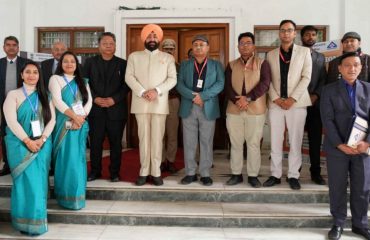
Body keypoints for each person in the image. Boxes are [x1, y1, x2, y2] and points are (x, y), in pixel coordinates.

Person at [321, 52, 370, 240]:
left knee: (362, 187)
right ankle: (338, 223)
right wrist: (340, 144)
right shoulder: (329, 90)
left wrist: (366, 143)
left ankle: (360, 224)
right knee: (337, 186)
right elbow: (328, 119)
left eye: (356, 65)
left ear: (361, 67)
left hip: (362, 149)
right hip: (337, 148)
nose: (352, 68)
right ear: (339, 69)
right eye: (347, 65)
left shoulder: (368, 89)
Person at [3, 61, 55, 235]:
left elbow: (52, 120)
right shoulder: (13, 95)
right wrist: (28, 141)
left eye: (35, 72)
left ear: (40, 76)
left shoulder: (45, 96)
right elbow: (11, 121)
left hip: (41, 145)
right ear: (21, 75)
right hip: (19, 145)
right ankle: (23, 222)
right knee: (26, 184)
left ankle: (37, 222)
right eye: (28, 72)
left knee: (39, 184)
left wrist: (42, 139)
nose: (32, 75)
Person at [263, 20, 312, 190]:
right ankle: (275, 175)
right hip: (276, 104)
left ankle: (293, 175)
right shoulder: (270, 54)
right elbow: (267, 79)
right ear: (279, 33)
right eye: (282, 30)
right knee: (275, 140)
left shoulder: (305, 52)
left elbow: (306, 77)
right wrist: (276, 98)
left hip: (296, 104)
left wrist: (292, 99)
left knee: (295, 140)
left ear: (294, 33)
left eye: (289, 30)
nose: (285, 33)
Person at [126, 24, 177, 186]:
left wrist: (156, 91)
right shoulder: (134, 56)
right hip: (141, 103)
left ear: (159, 39)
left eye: (155, 36)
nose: (152, 39)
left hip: (159, 104)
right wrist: (142, 92)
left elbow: (172, 79)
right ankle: (143, 171)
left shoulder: (168, 58)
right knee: (144, 138)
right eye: (149, 36)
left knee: (157, 139)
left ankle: (156, 172)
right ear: (144, 38)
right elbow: (129, 77)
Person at [177, 35, 224, 186]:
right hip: (189, 106)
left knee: (206, 141)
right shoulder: (184, 65)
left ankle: (205, 173)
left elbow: (220, 84)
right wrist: (194, 97)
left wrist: (202, 96)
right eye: (195, 44)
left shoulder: (216, 65)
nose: (198, 47)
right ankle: (190, 172)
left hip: (207, 106)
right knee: (189, 142)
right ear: (192, 48)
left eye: (202, 44)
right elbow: (179, 84)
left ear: (208, 48)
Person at [225, 32, 271, 187]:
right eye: (242, 43)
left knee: (253, 143)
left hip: (256, 110)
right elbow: (227, 86)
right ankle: (236, 174)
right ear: (238, 46)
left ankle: (253, 175)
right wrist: (237, 101)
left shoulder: (262, 63)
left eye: (248, 43)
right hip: (234, 109)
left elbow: (265, 83)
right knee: (236, 143)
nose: (245, 46)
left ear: (253, 46)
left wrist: (248, 98)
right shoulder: (231, 64)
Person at [49, 51, 92, 210]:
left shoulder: (83, 81)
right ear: (61, 64)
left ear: (76, 64)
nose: (69, 64)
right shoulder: (55, 79)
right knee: (65, 160)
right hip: (63, 124)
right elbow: (57, 101)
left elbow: (89, 102)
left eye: (72, 61)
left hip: (78, 125)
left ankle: (78, 197)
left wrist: (80, 118)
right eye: (65, 61)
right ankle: (65, 198)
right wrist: (74, 116)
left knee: (78, 159)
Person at [84, 32, 129, 182]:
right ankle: (95, 171)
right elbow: (85, 84)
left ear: (115, 45)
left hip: (116, 110)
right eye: (105, 43)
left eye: (111, 43)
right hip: (95, 110)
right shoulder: (89, 63)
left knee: (116, 144)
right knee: (95, 143)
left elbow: (126, 86)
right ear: (99, 46)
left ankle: (114, 173)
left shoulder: (123, 64)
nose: (108, 46)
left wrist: (113, 99)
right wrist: (95, 98)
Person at [300, 25, 327, 185]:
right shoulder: (295, 55)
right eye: (307, 35)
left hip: (314, 105)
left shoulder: (320, 57)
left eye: (313, 35)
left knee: (315, 140)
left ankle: (315, 172)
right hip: (297, 103)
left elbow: (323, 79)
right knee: (295, 139)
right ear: (301, 38)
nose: (310, 37)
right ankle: (294, 172)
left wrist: (316, 95)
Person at [0, 36, 28, 176]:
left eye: (14, 45)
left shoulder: (26, 63)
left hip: (24, 105)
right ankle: (7, 164)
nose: (11, 47)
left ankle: (24, 161)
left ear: (18, 47)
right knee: (6, 134)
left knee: (24, 132)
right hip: (3, 107)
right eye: (8, 45)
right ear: (4, 47)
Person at [160, 38, 180, 173]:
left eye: (171, 49)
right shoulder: (156, 64)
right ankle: (161, 161)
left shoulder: (179, 66)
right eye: (166, 48)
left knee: (172, 133)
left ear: (174, 50)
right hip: (158, 101)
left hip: (173, 101)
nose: (169, 51)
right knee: (159, 134)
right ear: (162, 49)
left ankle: (170, 160)